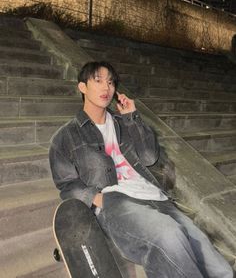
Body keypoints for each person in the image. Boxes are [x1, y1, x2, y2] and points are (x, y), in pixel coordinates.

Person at [49, 61, 233, 278]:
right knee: (168, 235)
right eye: (98, 81)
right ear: (82, 87)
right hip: (117, 201)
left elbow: (149, 156)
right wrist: (100, 200)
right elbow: (67, 185)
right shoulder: (65, 137)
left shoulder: (124, 121)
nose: (106, 88)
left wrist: (132, 118)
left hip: (155, 196)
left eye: (110, 82)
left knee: (216, 263)